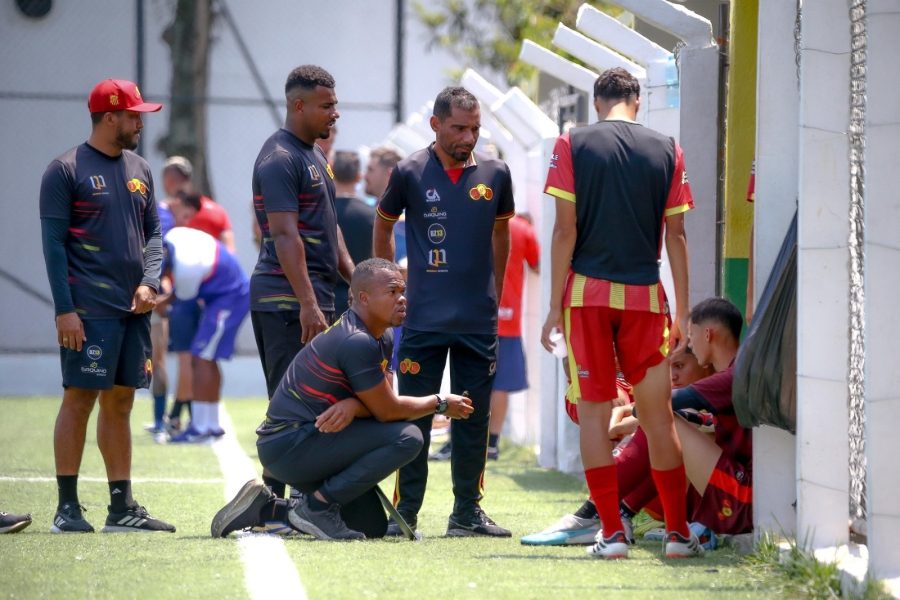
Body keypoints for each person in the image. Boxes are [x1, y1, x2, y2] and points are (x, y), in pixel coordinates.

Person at [540, 67, 695, 559]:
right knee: (658, 419)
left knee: (592, 414)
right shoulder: (669, 149)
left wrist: (552, 306)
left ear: (596, 101)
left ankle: (611, 534)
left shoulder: (571, 144)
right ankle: (676, 535)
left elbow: (565, 232)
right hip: (645, 296)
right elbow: (677, 236)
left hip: (586, 296)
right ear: (638, 102)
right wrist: (686, 310)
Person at [210, 258, 474, 540]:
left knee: (370, 526)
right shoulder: (356, 341)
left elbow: (383, 400)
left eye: (403, 291)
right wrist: (441, 403)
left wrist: (355, 406)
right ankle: (317, 508)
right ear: (363, 298)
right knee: (408, 437)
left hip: (307, 442)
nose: (402, 299)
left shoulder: (381, 335)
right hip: (290, 446)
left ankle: (266, 509)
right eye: (392, 292)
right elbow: (388, 411)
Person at [373, 86, 515, 537]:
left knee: (473, 419)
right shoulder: (409, 171)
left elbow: (501, 236)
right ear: (436, 125)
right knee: (413, 415)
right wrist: (389, 287)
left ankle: (466, 514)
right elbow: (383, 224)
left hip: (477, 320)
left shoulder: (496, 173)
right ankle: (406, 513)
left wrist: (496, 291)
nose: (468, 137)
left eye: (474, 128)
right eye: (458, 128)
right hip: (422, 322)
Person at [39, 78, 175, 533]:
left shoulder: (140, 166)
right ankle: (67, 508)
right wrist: (65, 309)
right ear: (110, 116)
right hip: (88, 311)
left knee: (120, 403)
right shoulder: (65, 170)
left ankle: (121, 509)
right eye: (134, 114)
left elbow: (153, 233)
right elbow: (54, 246)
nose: (140, 122)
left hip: (134, 310)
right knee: (79, 399)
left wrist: (150, 283)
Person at [250, 65, 353, 498]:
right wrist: (308, 304)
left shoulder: (316, 156)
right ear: (298, 105)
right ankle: (273, 502)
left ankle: (306, 498)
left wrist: (360, 278)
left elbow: (331, 231)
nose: (335, 114)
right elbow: (285, 235)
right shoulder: (280, 158)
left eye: (335, 104)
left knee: (319, 401)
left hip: (314, 300)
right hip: (285, 303)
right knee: (288, 403)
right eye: (326, 105)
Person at [521, 344, 711, 546]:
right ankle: (620, 514)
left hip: (728, 500)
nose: (672, 375)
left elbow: (621, 424)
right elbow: (614, 420)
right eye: (670, 367)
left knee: (662, 424)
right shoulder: (654, 387)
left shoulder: (721, 382)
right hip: (674, 496)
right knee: (659, 422)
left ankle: (595, 514)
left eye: (680, 366)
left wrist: (626, 416)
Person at [430, 212, 540, 461]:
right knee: (500, 384)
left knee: (466, 379)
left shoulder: (469, 220)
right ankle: (491, 444)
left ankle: (458, 441)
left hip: (470, 317)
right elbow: (538, 266)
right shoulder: (522, 228)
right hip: (507, 317)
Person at [158, 226, 250, 442]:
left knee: (200, 358)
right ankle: (211, 424)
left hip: (229, 297)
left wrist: (159, 302)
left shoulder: (185, 269)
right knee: (206, 359)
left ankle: (200, 427)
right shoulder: (173, 237)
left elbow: (179, 297)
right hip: (227, 294)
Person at [164, 159, 236, 431]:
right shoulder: (216, 211)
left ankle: (185, 417)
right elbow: (230, 252)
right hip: (211, 291)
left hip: (189, 292)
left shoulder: (169, 211)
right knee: (205, 356)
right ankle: (200, 418)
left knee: (190, 356)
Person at [332, 150, 374, 316]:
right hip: (359, 299)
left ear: (331, 174)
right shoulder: (371, 215)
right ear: (359, 176)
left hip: (324, 297)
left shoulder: (321, 212)